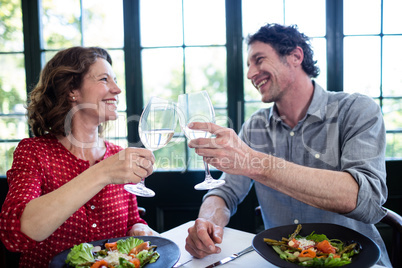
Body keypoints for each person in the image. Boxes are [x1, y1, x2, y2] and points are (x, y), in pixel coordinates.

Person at [184, 23, 391, 267]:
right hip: (284, 262)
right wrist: (207, 222)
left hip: (355, 261)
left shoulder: (356, 110)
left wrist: (253, 162)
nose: (250, 73)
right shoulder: (255, 126)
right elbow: (225, 191)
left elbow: (364, 198)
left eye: (259, 60)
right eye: (248, 65)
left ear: (295, 56)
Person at [0, 46, 158, 268]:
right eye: (104, 79)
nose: (117, 89)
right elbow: (16, 234)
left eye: (115, 79)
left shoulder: (116, 155)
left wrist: (138, 228)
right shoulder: (34, 152)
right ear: (72, 90)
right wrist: (102, 172)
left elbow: (132, 220)